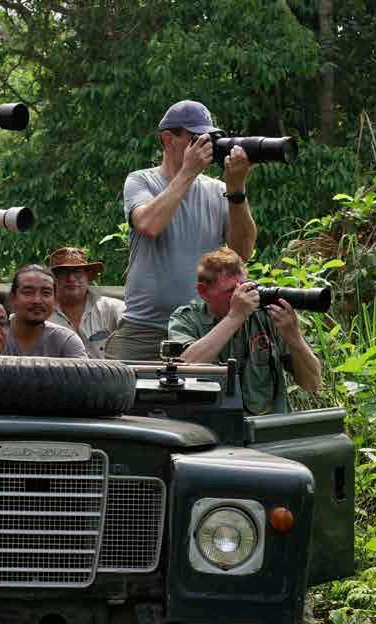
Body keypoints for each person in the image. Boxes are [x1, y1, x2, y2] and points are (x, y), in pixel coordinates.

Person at [110, 99, 258, 361]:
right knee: (119, 387)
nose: (206, 147)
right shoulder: (141, 180)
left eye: (210, 139)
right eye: (196, 139)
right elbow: (150, 225)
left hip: (199, 328)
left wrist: (236, 189)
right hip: (144, 329)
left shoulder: (217, 190)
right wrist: (189, 171)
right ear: (168, 139)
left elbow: (242, 251)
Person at [166, 247, 321, 415]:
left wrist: (295, 338)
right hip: (212, 426)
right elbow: (183, 369)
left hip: (268, 425)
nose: (241, 297)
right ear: (203, 291)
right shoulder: (187, 320)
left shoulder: (266, 315)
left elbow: (312, 383)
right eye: (231, 291)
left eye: (244, 288)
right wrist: (235, 317)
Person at [46, 246, 126, 359]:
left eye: (77, 272)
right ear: (53, 279)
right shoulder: (43, 313)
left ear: (88, 276)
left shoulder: (113, 308)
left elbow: (136, 333)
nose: (71, 279)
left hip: (105, 370)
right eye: (63, 273)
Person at [4, 265, 88, 358]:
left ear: (55, 300)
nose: (37, 300)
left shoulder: (66, 341)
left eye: (46, 293)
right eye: (28, 292)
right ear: (12, 298)